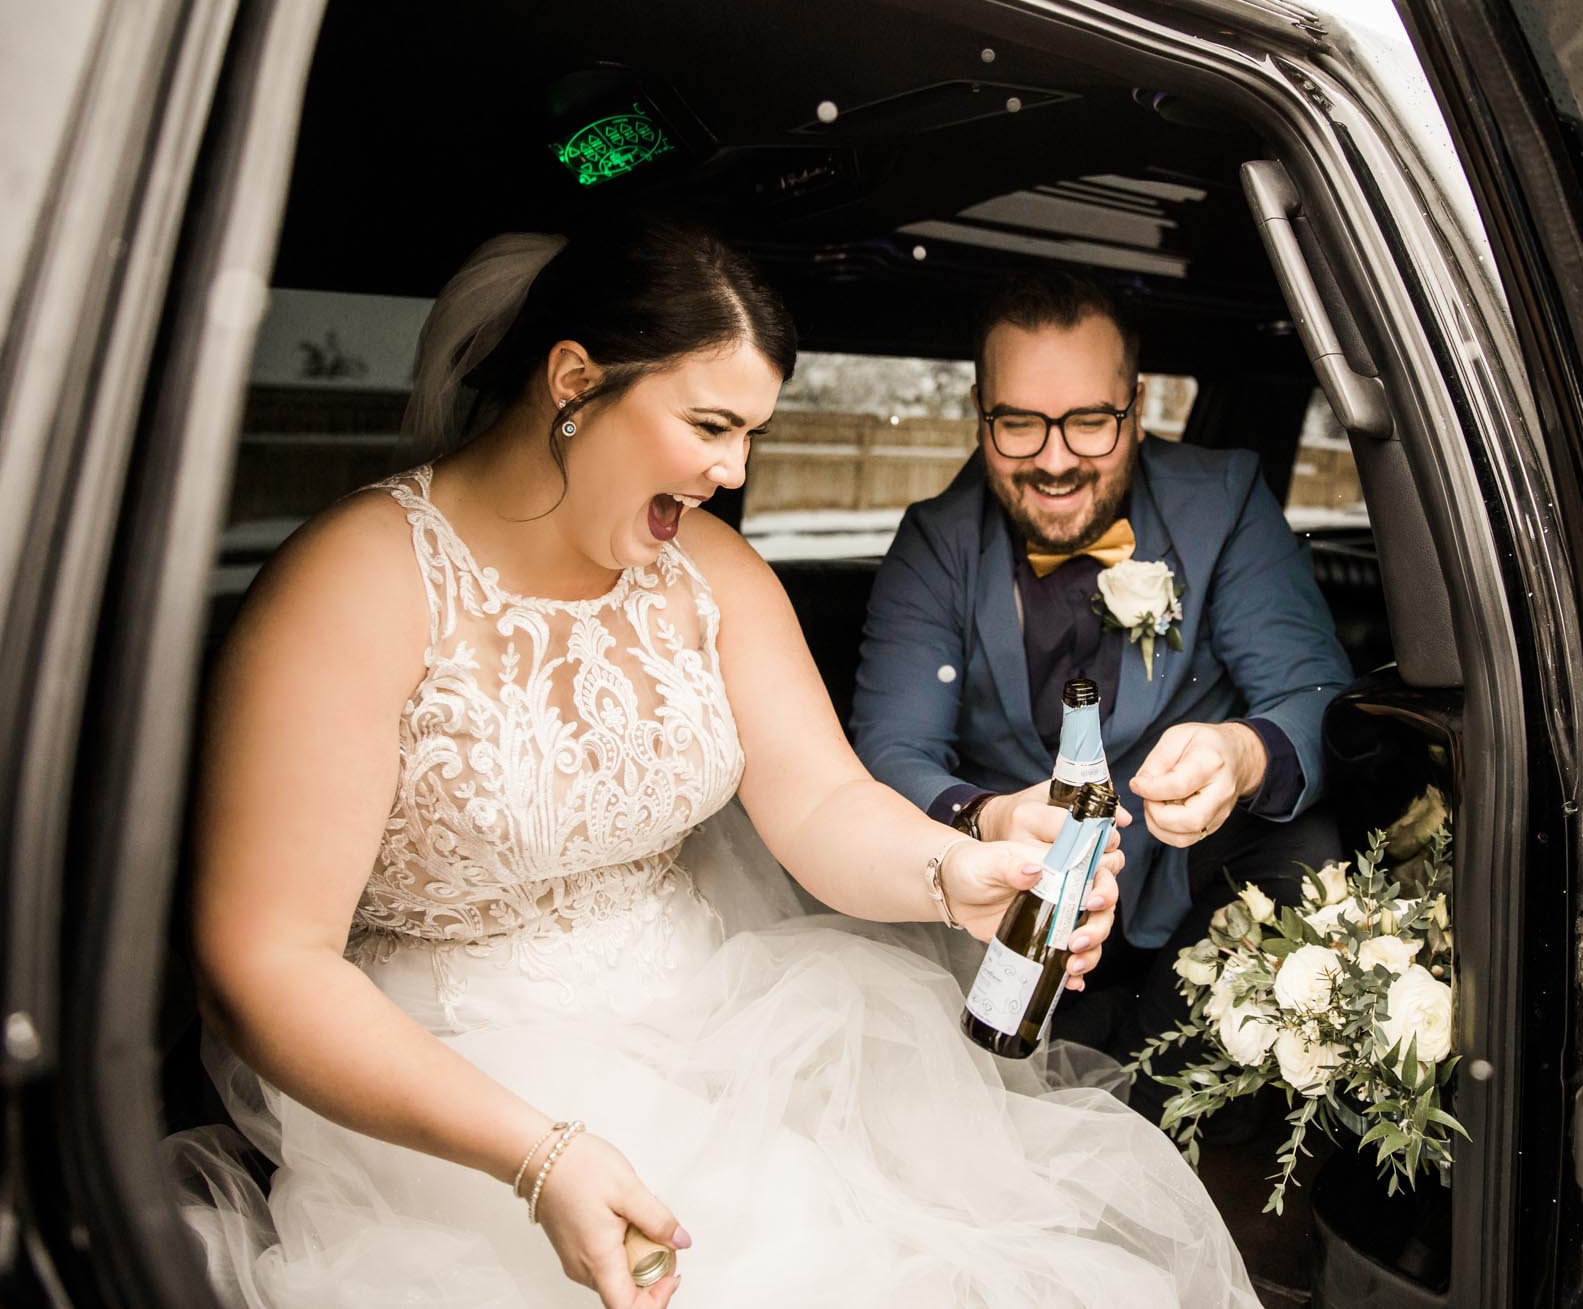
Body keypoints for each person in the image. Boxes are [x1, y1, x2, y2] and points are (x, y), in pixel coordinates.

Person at [168, 215, 1262, 1308]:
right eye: (710, 424)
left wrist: (949, 870)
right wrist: (538, 1156)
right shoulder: (352, 585)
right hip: (448, 1107)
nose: (734, 468)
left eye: (752, 433)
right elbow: (265, 962)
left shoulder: (708, 569)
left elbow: (822, 799)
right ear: (573, 381)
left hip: (728, 1047)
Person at [849, 269, 1353, 1115]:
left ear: (1138, 404)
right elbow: (890, 753)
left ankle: (1165, 1117)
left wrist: (1243, 751)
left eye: (1089, 422)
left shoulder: (1223, 499)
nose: (1053, 460)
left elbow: (1313, 692)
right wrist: (989, 820)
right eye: (1018, 423)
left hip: (1186, 897)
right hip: (1016, 910)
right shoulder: (935, 542)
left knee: (1308, 845)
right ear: (981, 412)